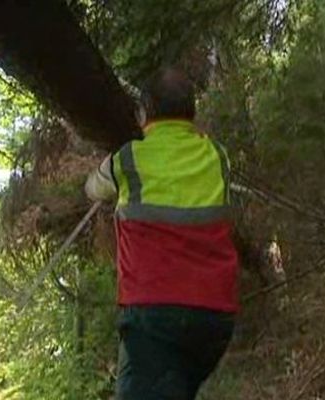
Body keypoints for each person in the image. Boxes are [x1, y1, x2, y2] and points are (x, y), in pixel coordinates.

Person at [85, 67, 239, 400]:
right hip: (215, 320)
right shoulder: (218, 156)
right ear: (192, 112)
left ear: (145, 111)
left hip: (154, 318)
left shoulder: (128, 160)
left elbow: (92, 189)